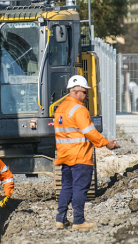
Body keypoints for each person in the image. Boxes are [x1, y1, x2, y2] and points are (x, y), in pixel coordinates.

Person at [53, 75, 121, 230]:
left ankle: (60, 219)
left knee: (66, 187)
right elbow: (90, 132)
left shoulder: (60, 109)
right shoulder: (79, 110)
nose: (86, 95)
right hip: (80, 156)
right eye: (84, 92)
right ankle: (78, 221)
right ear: (75, 91)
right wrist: (106, 144)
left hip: (65, 155)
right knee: (80, 188)